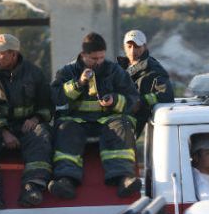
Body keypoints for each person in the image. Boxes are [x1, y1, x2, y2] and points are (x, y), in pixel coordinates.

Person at [49, 32, 141, 199]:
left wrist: (114, 100)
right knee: (65, 130)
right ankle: (66, 180)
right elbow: (55, 96)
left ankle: (124, 179)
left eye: (101, 57)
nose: (98, 62)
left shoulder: (115, 71)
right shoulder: (68, 71)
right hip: (77, 122)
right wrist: (78, 83)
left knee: (122, 125)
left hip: (108, 121)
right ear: (83, 54)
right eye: (94, 58)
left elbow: (134, 100)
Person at [0, 34, 54, 208]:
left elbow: (47, 105)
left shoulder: (35, 73)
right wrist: (4, 131)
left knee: (42, 132)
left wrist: (36, 118)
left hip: (26, 126)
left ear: (14, 54)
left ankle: (32, 186)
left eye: (0, 53)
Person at [117, 29, 174, 139]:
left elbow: (166, 95)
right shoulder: (119, 68)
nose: (132, 51)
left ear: (145, 47)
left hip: (130, 123)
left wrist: (141, 101)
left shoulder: (154, 70)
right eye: (129, 46)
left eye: (137, 47)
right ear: (124, 47)